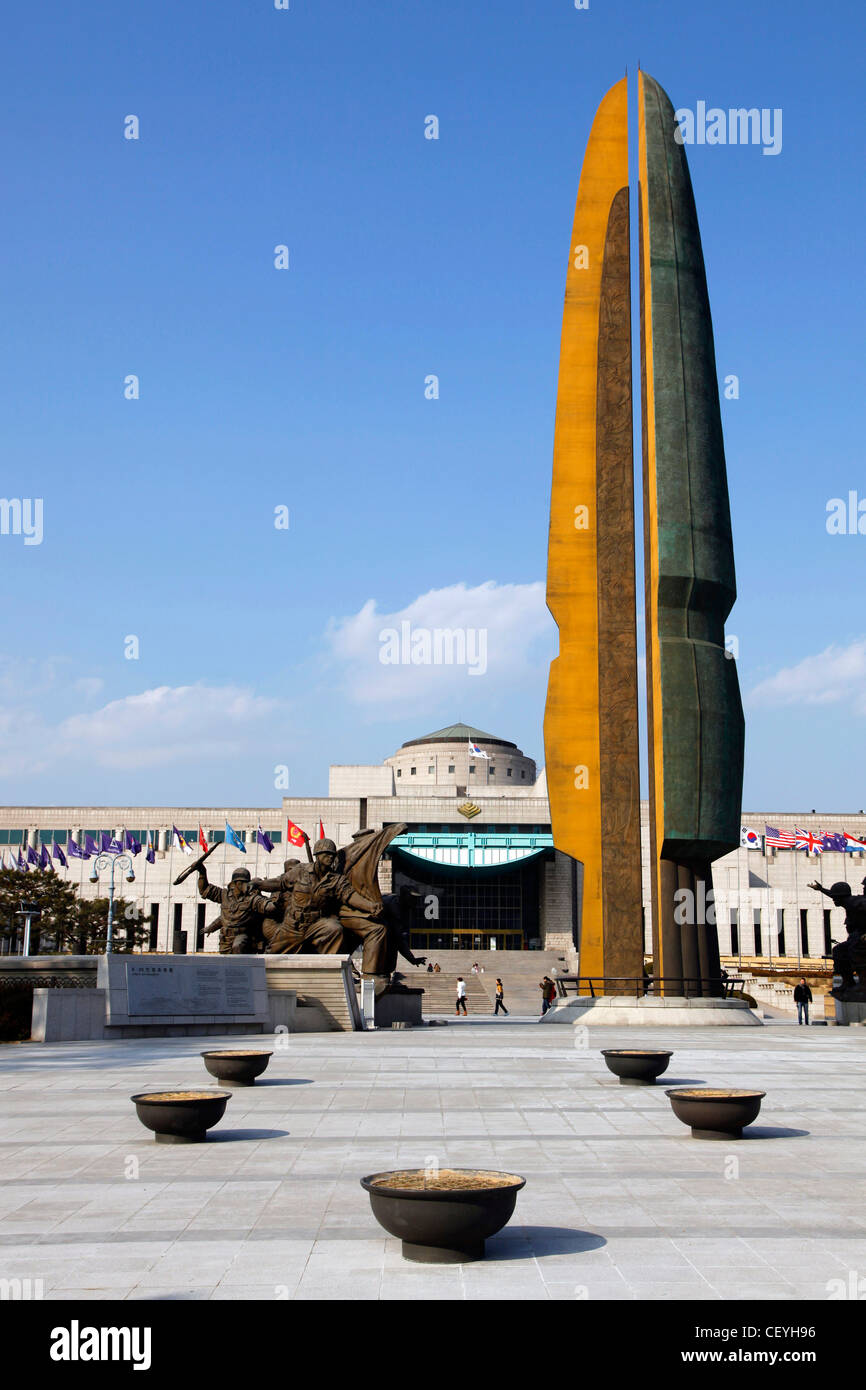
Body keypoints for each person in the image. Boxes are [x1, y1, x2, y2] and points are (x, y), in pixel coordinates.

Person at [198, 865, 278, 954]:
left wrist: (275, 890)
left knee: (238, 946)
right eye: (242, 883)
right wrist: (202, 873)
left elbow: (269, 907)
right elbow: (204, 890)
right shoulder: (224, 895)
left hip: (244, 939)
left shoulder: (252, 898)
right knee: (227, 964)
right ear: (235, 883)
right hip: (226, 940)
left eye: (246, 883)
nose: (244, 885)